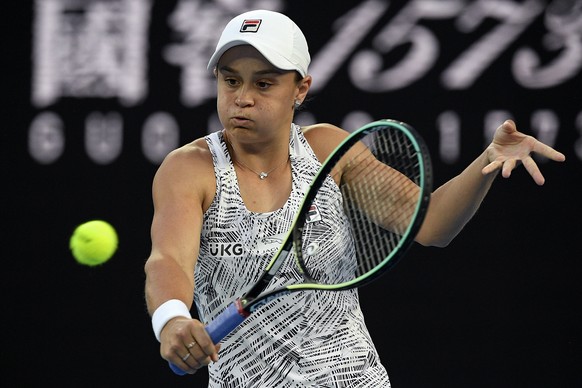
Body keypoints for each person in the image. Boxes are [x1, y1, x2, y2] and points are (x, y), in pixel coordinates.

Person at [143, 9, 565, 387]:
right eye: (230, 80)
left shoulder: (329, 151)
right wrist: (172, 319)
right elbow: (168, 260)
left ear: (300, 89)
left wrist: (487, 161)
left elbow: (432, 223)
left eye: (264, 83)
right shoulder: (190, 168)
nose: (243, 97)